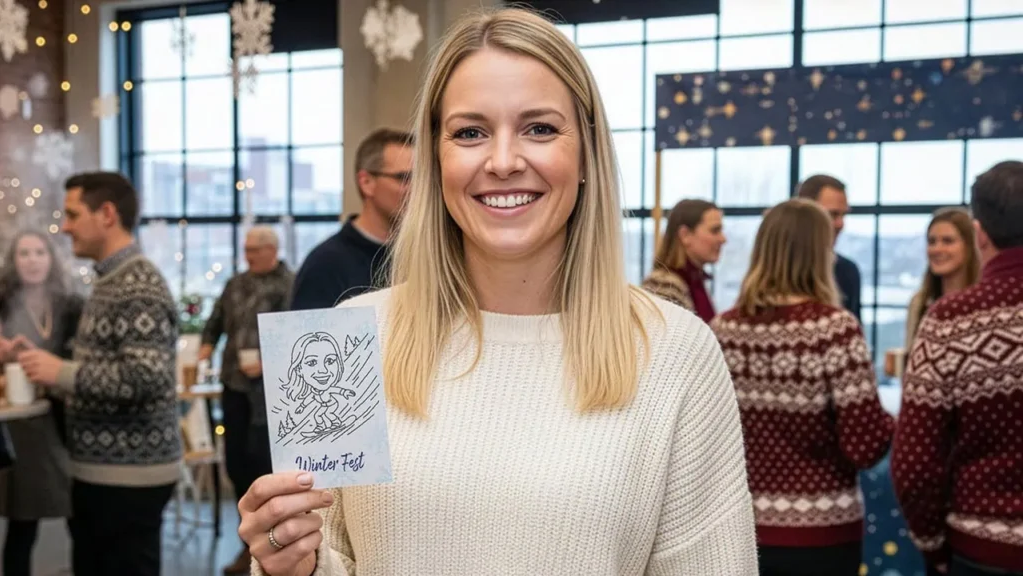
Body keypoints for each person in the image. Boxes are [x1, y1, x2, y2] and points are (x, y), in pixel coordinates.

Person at [237, 7, 757, 576]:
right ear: (436, 159)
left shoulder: (675, 354)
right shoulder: (350, 337)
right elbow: (331, 558)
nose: (504, 161)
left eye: (539, 128)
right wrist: (295, 564)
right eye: (470, 132)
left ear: (585, 153)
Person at [710, 198, 894, 576]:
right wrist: (894, 420)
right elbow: (865, 445)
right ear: (820, 252)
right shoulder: (834, 331)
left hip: (739, 528)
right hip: (823, 531)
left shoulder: (723, 330)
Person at [17, 171, 182, 576]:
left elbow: (147, 376)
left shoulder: (138, 283)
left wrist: (63, 372)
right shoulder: (110, 280)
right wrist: (42, 366)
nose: (66, 226)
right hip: (105, 474)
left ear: (107, 214)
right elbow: (101, 368)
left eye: (73, 214)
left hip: (129, 477)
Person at [892, 161, 1023, 576]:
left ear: (978, 232)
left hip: (981, 547)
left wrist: (932, 547)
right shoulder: (935, 310)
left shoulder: (951, 320)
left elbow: (914, 462)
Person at [199, 225, 295, 575]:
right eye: (246, 249)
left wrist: (269, 361)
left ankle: (276, 550)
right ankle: (247, 547)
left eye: (254, 250)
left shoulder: (290, 284)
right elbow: (215, 322)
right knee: (237, 466)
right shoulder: (235, 284)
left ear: (272, 249)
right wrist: (205, 347)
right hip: (235, 388)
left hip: (274, 396)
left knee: (266, 470)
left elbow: (299, 337)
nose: (248, 256)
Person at [0, 230, 84, 576]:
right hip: (19, 425)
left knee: (79, 516)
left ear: (51, 258)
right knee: (23, 521)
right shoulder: (2, 303)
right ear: (13, 261)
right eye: (24, 253)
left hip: (67, 422)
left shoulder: (72, 305)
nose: (32, 260)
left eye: (39, 252)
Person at [289, 129, 414, 310]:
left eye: (422, 179)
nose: (417, 189)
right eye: (404, 177)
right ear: (366, 183)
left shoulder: (425, 254)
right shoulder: (325, 265)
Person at [904, 207, 981, 350]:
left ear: (970, 246)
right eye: (932, 241)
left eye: (948, 241)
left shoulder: (983, 304)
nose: (937, 249)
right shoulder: (919, 303)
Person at [641, 199, 726, 322]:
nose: (723, 239)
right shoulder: (664, 285)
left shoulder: (694, 281)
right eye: (715, 230)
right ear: (685, 235)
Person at [797, 174, 861, 321]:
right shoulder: (777, 271)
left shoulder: (847, 272)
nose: (841, 224)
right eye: (832, 214)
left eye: (843, 215)